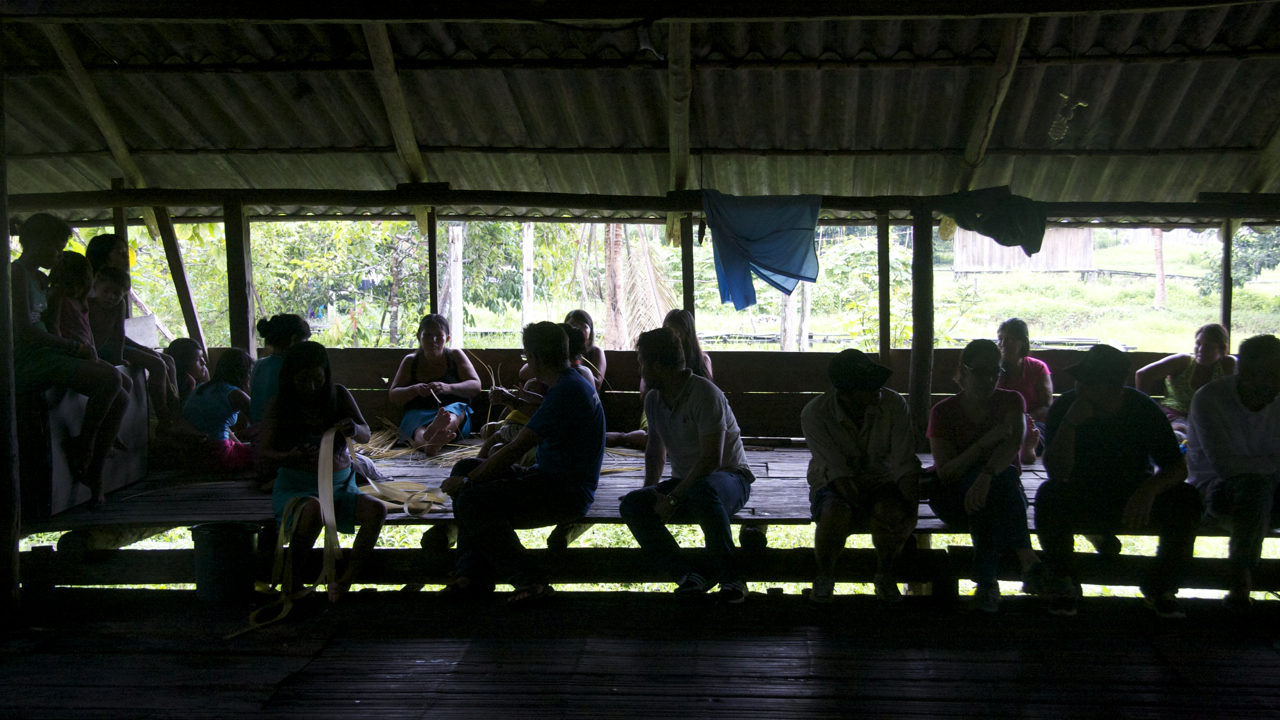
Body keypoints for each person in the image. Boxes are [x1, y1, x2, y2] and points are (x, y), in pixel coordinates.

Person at [440, 322, 606, 604]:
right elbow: (542, 414)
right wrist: (470, 475)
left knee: (471, 499)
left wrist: (469, 482)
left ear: (538, 357)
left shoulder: (567, 390)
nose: (527, 361)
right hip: (550, 478)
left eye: (527, 355)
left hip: (564, 492)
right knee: (466, 466)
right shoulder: (568, 382)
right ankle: (470, 574)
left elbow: (516, 448)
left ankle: (529, 580)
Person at [1037, 344, 1202, 618]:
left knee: (1187, 499)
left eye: (1089, 382)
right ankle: (1064, 583)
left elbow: (1176, 468)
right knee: (1048, 496)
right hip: (1084, 494)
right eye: (1080, 380)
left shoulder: (1141, 409)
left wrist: (1149, 491)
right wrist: (1069, 425)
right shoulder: (1067, 407)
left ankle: (1161, 587)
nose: (1080, 387)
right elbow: (1056, 472)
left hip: (1134, 497)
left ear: (1113, 387)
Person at [619, 327, 753, 604]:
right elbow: (656, 449)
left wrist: (672, 499)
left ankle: (732, 578)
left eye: (642, 363)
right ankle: (688, 575)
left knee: (703, 492)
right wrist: (653, 490)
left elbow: (710, 459)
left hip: (729, 478)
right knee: (632, 505)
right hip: (688, 483)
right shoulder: (655, 400)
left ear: (656, 365)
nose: (641, 370)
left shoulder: (705, 395)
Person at [11, 214, 128, 508]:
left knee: (123, 393)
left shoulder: (40, 278)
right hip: (28, 359)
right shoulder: (15, 275)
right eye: (55, 248)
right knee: (110, 379)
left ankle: (94, 470)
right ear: (35, 243)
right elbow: (23, 331)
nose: (59, 255)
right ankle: (84, 448)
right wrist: (73, 347)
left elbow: (51, 325)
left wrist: (72, 346)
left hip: (49, 353)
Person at [928, 340, 1049, 613]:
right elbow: (947, 472)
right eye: (981, 371)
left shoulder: (1010, 401)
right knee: (998, 486)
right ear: (964, 371)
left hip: (994, 492)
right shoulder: (944, 412)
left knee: (995, 489)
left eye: (995, 371)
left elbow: (1011, 447)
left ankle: (986, 584)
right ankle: (1026, 557)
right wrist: (986, 442)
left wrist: (984, 477)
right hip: (953, 496)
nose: (989, 379)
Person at [260, 341, 385, 599]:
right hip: (297, 488)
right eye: (303, 380)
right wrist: (289, 456)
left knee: (377, 510)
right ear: (290, 377)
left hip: (340, 488)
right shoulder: (280, 404)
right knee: (313, 509)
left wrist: (353, 427)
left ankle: (344, 582)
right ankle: (292, 584)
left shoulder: (338, 395)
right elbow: (264, 452)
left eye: (318, 378)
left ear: (326, 374)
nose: (312, 386)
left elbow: (365, 434)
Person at [802, 349, 920, 603]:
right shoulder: (815, 413)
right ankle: (824, 577)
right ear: (845, 394)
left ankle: (885, 575)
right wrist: (869, 510)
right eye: (868, 387)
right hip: (833, 481)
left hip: (882, 477)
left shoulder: (894, 404)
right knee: (835, 513)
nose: (878, 391)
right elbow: (837, 472)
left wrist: (910, 512)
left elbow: (904, 463)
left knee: (892, 513)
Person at [1186, 334, 1280, 612]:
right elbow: (1226, 468)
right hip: (1216, 493)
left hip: (1268, 489)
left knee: (1258, 487)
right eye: (1272, 374)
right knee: (1253, 488)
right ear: (1246, 372)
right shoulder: (1211, 399)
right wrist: (1274, 462)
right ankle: (1241, 584)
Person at [85, 232, 180, 419]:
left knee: (167, 360)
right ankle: (164, 419)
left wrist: (141, 348)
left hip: (113, 341)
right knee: (158, 364)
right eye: (119, 253)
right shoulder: (92, 286)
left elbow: (118, 331)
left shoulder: (115, 285)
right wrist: (118, 356)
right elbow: (104, 333)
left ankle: (176, 412)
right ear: (104, 256)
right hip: (99, 343)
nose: (126, 257)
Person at [606, 307, 713, 450]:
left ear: (688, 334)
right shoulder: (655, 358)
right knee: (656, 437)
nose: (674, 337)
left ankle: (625, 437)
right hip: (661, 405)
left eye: (678, 332)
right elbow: (644, 394)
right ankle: (624, 437)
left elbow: (707, 392)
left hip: (690, 411)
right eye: (669, 331)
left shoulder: (701, 360)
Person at [388, 314, 481, 455]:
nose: (433, 341)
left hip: (452, 410)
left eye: (439, 336)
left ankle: (435, 433)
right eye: (428, 336)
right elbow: (394, 395)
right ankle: (430, 445)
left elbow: (476, 386)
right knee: (417, 427)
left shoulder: (455, 356)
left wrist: (448, 387)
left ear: (447, 338)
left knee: (453, 414)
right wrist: (414, 390)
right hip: (419, 412)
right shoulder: (411, 361)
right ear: (419, 336)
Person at [1135, 323, 1235, 439]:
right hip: (1176, 417)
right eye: (1198, 344)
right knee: (1181, 435)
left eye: (1208, 347)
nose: (1201, 350)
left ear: (1222, 349)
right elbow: (1143, 375)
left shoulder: (1227, 365)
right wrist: (1143, 412)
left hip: (1208, 418)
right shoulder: (1183, 362)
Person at [182, 348, 254, 472]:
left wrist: (241, 446)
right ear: (244, 373)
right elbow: (261, 421)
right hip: (218, 454)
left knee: (247, 447)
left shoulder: (201, 388)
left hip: (194, 453)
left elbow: (217, 425)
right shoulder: (235, 394)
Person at [996, 318, 1052, 465]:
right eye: (1000, 339)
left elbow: (1046, 406)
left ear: (1022, 342)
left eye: (1009, 340)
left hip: (1032, 423)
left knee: (1033, 432)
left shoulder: (1037, 368)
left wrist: (1026, 420)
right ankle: (1020, 450)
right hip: (1000, 422)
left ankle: (1027, 447)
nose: (1002, 344)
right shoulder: (994, 369)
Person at [249, 313, 312, 427]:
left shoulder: (259, 364)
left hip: (257, 433)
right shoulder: (290, 368)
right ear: (293, 340)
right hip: (278, 434)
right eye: (305, 341)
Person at [564, 309, 607, 389]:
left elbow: (597, 384)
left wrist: (576, 364)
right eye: (572, 326)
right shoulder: (560, 350)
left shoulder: (596, 351)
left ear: (590, 332)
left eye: (583, 326)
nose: (577, 330)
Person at [165, 337, 209, 405]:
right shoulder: (171, 390)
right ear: (183, 364)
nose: (203, 362)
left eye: (202, 357)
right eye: (197, 359)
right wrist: (191, 389)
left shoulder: (201, 380)